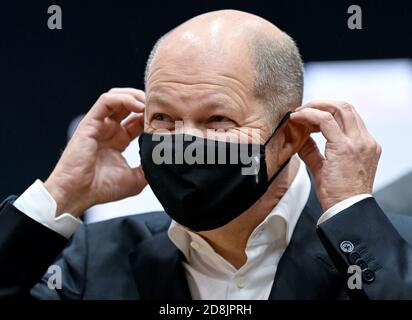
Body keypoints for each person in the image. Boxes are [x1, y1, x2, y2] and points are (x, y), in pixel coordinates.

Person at [1, 9, 411, 300]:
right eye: (162, 118)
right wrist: (61, 194)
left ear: (288, 138)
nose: (184, 143)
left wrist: (353, 214)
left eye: (217, 120)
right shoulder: (91, 262)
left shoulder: (385, 251)